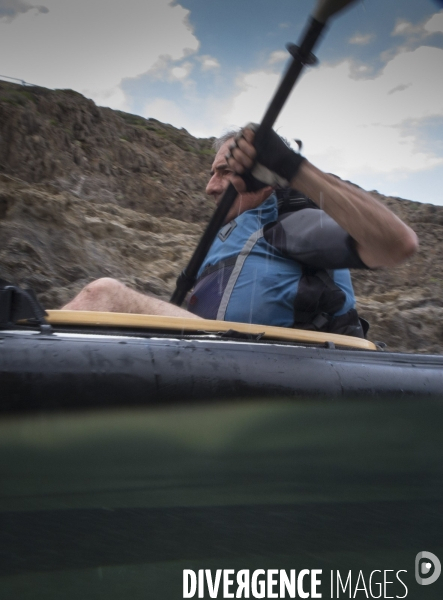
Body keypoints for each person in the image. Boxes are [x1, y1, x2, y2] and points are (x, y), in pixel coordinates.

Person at [62, 125, 418, 336]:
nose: (210, 187)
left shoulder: (286, 223)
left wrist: (290, 167)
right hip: (212, 364)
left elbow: (397, 244)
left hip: (279, 374)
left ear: (260, 178)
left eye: (222, 172)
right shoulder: (221, 242)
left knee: (104, 295)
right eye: (211, 173)